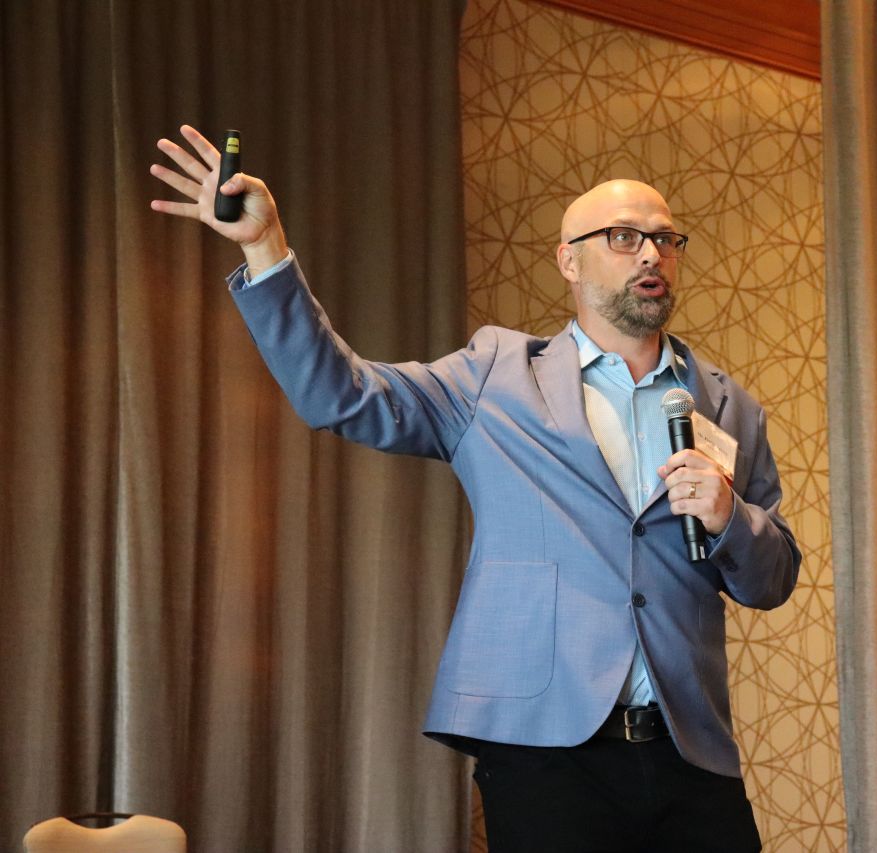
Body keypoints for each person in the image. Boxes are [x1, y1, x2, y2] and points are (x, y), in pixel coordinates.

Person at [150, 125, 801, 853]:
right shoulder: (497, 373)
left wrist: (731, 517)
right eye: (623, 237)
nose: (650, 254)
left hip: (692, 751)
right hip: (545, 752)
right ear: (569, 260)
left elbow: (772, 580)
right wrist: (265, 247)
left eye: (665, 239)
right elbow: (342, 394)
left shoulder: (727, 406)